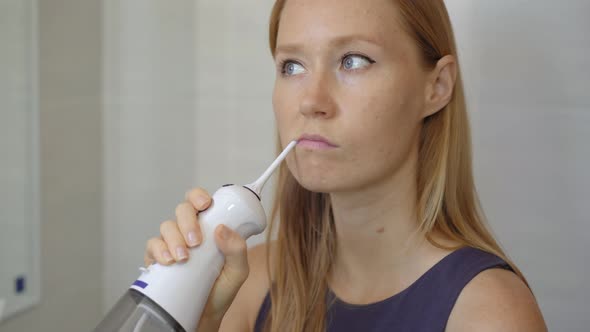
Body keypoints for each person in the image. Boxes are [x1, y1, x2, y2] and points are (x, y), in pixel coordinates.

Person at [144, 0, 547, 331]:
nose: (310, 101)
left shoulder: (489, 314)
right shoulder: (246, 286)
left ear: (437, 86)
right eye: (292, 66)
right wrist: (195, 318)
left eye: (353, 60)